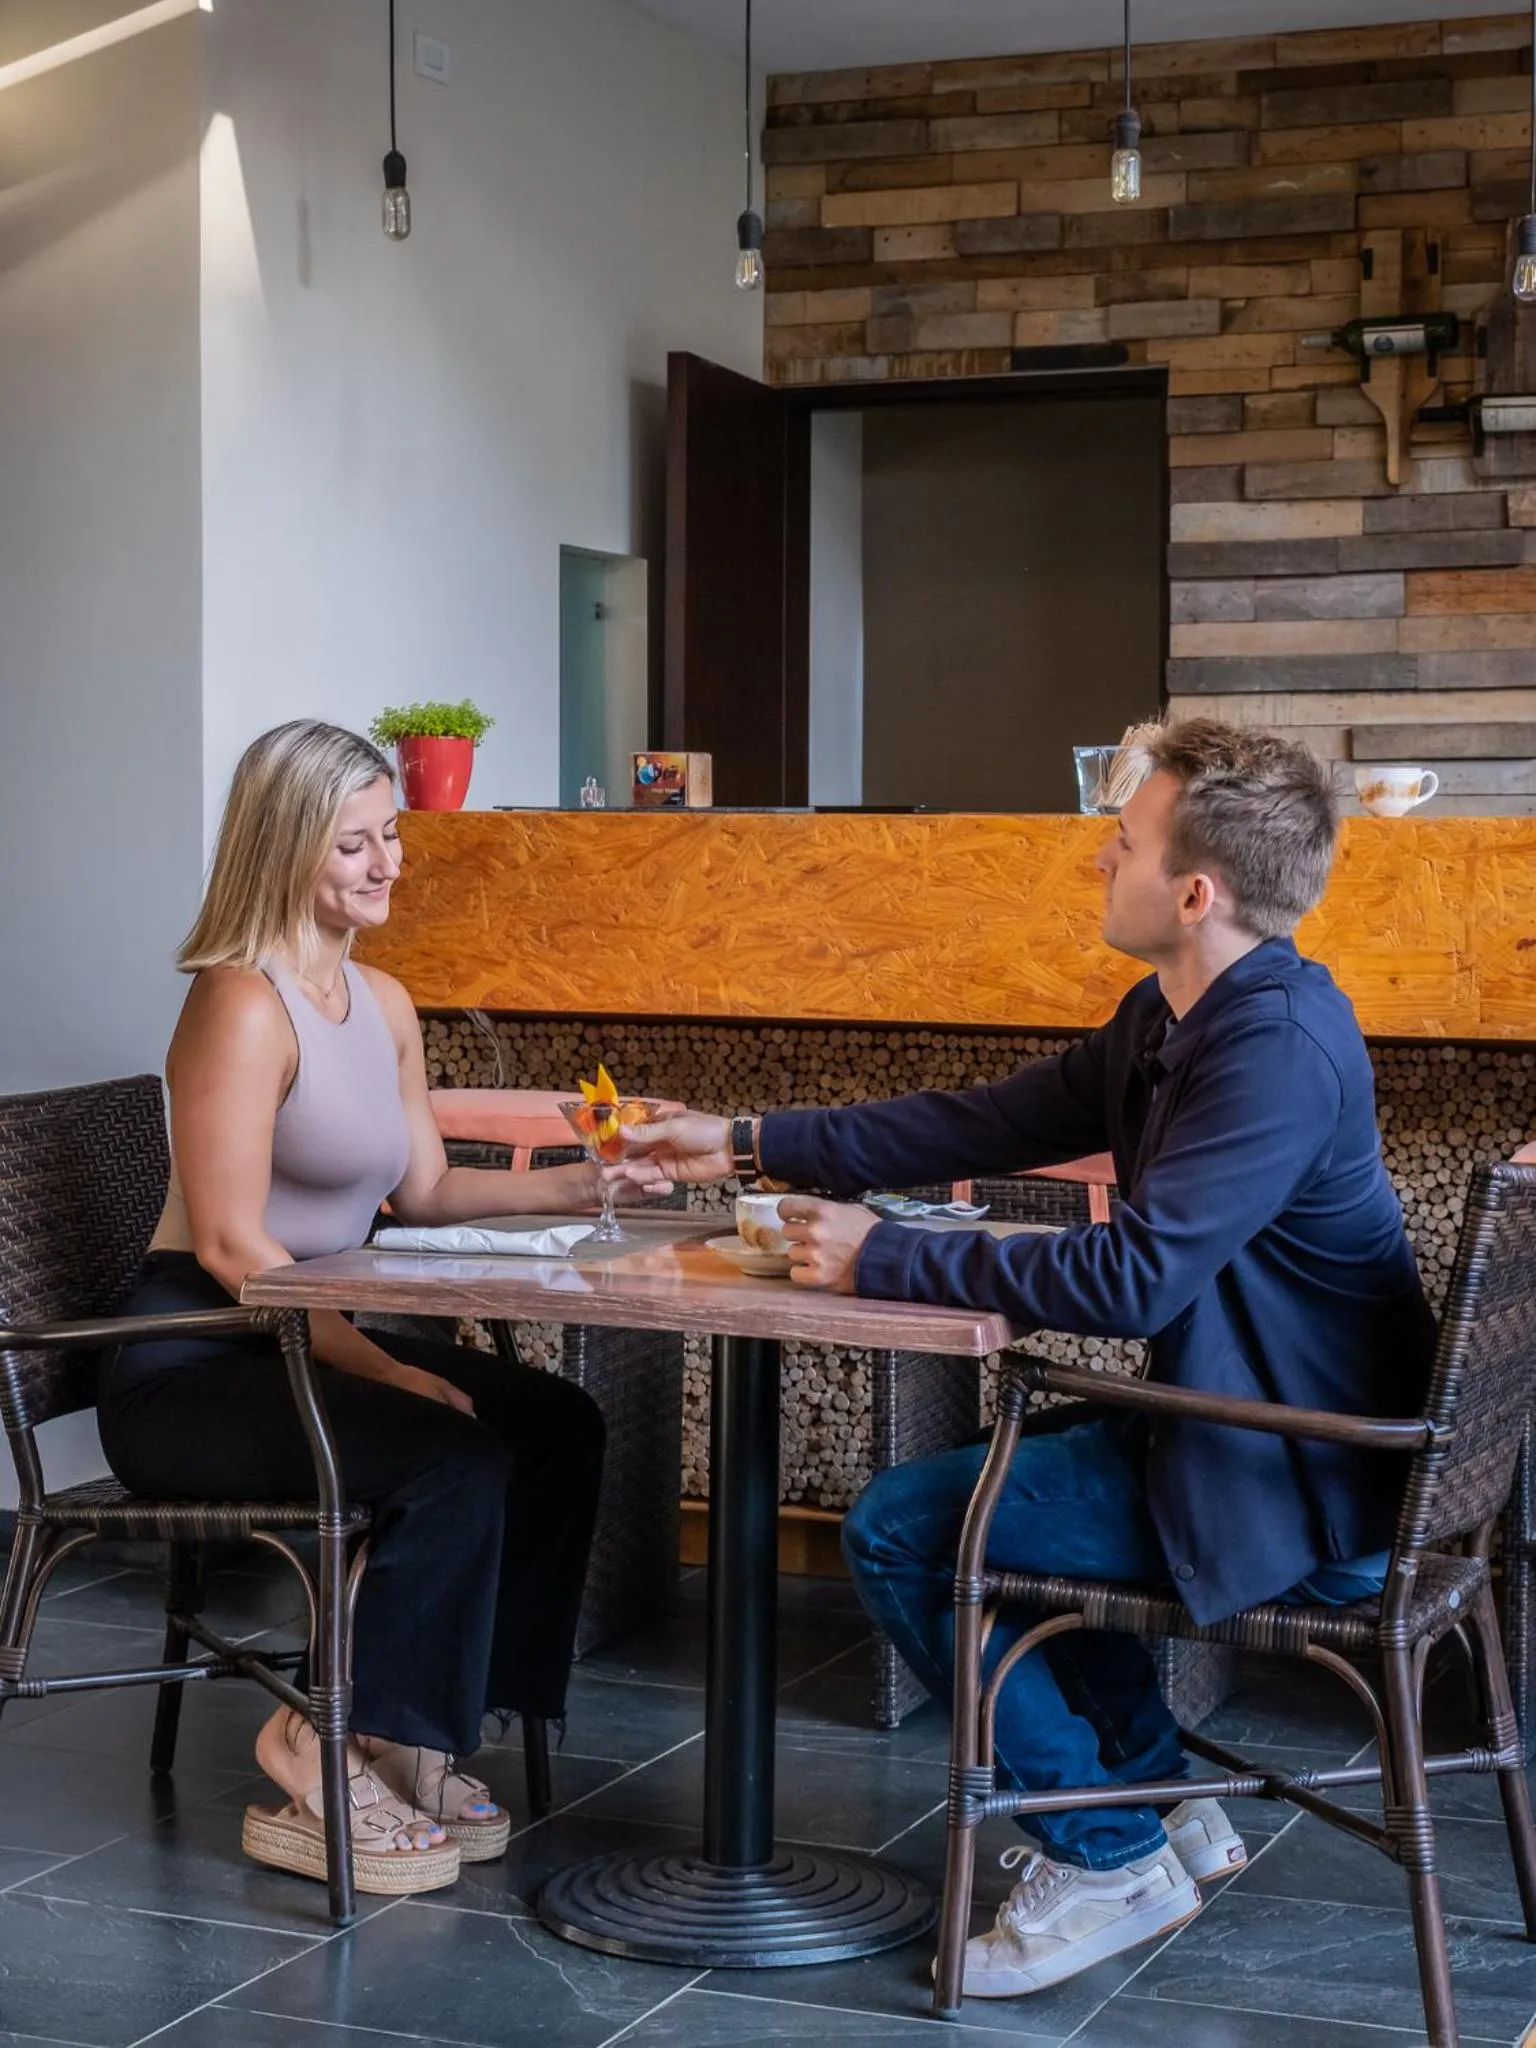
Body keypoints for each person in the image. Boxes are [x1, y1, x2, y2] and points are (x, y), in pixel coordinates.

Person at [625, 717, 1437, 1999]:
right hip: (1239, 1426)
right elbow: (981, 1120)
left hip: (1300, 1474)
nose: (1097, 859)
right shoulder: (1178, 1016)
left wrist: (881, 1253)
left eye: (1123, 842)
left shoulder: (1274, 1050)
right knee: (982, 1512)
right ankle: (1152, 1801)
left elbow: (1133, 1278)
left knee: (906, 1528)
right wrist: (741, 1138)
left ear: (1195, 893)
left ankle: (1105, 1852)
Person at [100, 720, 661, 1896]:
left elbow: (428, 1188)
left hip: (308, 1336)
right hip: (195, 1357)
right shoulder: (238, 1003)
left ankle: (423, 1733)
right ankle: (316, 1735)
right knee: (451, 1454)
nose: (388, 862)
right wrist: (390, 1369)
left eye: (391, 834)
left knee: (555, 1424)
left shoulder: (385, 1001)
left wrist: (594, 1175)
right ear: (285, 846)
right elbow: (233, 1248)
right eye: (353, 842)